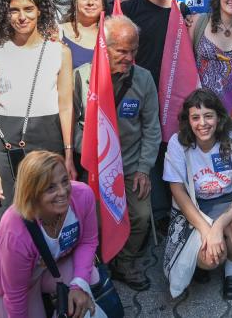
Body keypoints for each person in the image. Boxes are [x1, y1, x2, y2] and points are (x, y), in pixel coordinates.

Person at [0, 0, 76, 228]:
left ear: (40, 10)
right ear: (5, 13)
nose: (21, 17)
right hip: (4, 143)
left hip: (49, 137)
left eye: (28, 9)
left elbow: (65, 106)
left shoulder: (60, 52)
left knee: (50, 214)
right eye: (14, 10)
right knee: (6, 218)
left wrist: (68, 155)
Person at [73, 16, 161, 290]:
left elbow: (152, 127)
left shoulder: (143, 79)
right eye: (122, 51)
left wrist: (145, 168)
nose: (129, 57)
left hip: (131, 165)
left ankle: (125, 260)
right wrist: (85, 151)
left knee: (141, 217)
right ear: (104, 46)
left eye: (133, 50)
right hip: (95, 166)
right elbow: (71, 125)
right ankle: (98, 264)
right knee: (94, 220)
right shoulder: (82, 77)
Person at [163, 89, 232, 300]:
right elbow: (177, 191)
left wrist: (218, 227)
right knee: (211, 259)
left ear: (218, 117)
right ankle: (206, 262)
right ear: (188, 120)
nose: (202, 123)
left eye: (208, 116)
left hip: (227, 200)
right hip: (196, 206)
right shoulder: (177, 144)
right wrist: (206, 230)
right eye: (195, 117)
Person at [0, 151, 98, 318]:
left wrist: (79, 286)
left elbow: (88, 242)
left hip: (47, 269)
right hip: (7, 284)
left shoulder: (83, 195)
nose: (63, 191)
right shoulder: (15, 230)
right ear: (32, 193)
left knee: (90, 275)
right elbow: (15, 295)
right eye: (51, 187)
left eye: (65, 180)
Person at [120, 0, 191, 230]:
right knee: (141, 153)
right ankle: (141, 217)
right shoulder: (128, 10)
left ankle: (166, 215)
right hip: (135, 93)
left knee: (167, 153)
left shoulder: (179, 10)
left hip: (170, 94)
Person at [61, 0, 106, 70]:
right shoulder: (59, 32)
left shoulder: (111, 34)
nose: (90, 2)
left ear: (103, 3)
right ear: (75, 2)